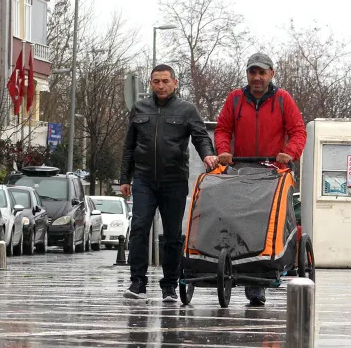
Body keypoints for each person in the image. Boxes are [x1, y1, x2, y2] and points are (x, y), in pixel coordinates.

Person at [214, 52, 307, 306]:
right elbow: (223, 128)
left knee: (263, 224)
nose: (256, 77)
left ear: (271, 74)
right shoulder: (235, 99)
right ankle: (233, 266)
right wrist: (223, 150)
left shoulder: (282, 100)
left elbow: (298, 131)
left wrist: (289, 153)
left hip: (271, 171)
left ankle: (257, 281)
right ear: (247, 74)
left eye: (261, 72)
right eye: (252, 72)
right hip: (241, 170)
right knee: (236, 222)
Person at [120, 64, 219, 302]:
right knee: (139, 228)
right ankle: (138, 283)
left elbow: (200, 136)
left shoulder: (187, 110)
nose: (161, 86)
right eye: (156, 81)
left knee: (172, 234)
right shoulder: (139, 108)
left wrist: (207, 154)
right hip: (144, 179)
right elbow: (129, 146)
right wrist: (125, 177)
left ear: (175, 83)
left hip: (174, 180)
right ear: (151, 84)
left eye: (165, 81)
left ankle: (169, 286)